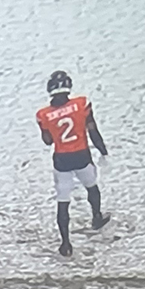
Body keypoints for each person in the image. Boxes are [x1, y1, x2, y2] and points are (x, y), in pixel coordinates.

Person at [35, 70, 111, 257]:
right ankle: (96, 217)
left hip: (62, 159)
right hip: (81, 155)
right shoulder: (81, 104)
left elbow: (48, 141)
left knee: (63, 201)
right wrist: (103, 151)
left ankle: (66, 243)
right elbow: (93, 130)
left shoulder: (43, 114)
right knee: (92, 187)